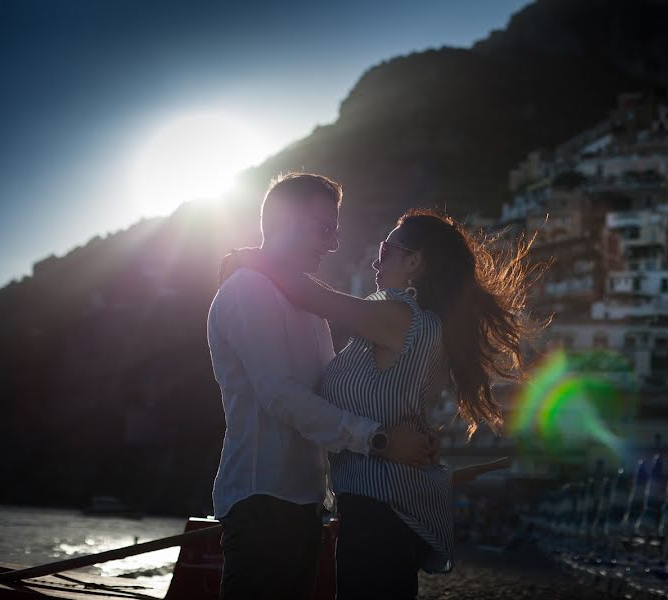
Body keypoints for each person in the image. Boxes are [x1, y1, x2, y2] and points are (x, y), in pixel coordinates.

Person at [223, 208, 540, 599]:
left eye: (386, 249)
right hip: (379, 509)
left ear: (413, 261)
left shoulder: (400, 318)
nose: (377, 258)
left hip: (379, 512)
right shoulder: (418, 325)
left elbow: (308, 294)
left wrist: (249, 259)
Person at [207, 173, 435, 600]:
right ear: (286, 220)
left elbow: (332, 391)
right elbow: (280, 395)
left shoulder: (305, 303)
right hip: (262, 501)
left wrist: (407, 431)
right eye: (325, 228)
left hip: (305, 505)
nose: (332, 244)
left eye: (335, 230)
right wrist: (381, 439)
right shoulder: (247, 290)